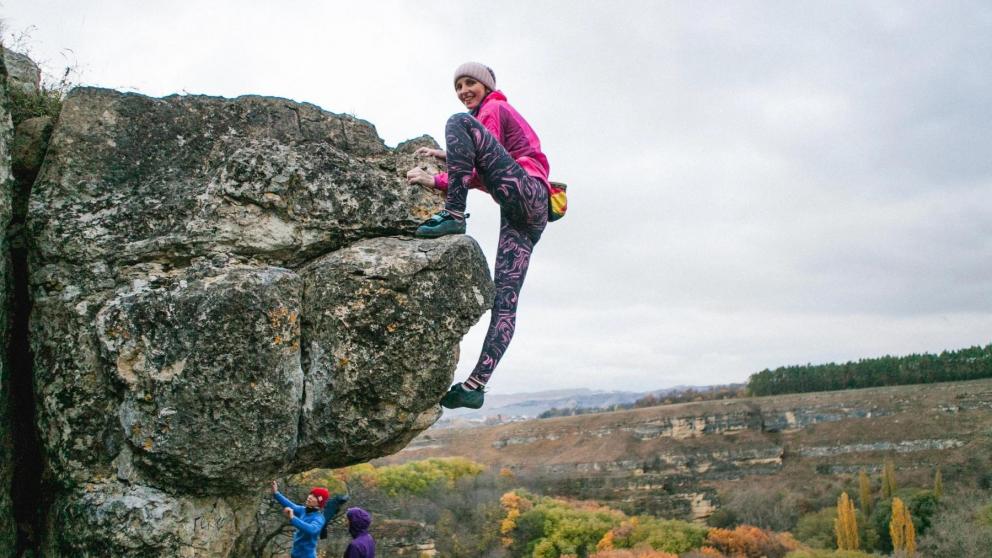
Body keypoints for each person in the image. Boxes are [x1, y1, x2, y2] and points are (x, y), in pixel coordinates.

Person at [406, 62, 552, 410]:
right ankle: (475, 386)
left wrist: (436, 180)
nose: (463, 91)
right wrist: (445, 155)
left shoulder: (495, 108)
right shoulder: (488, 115)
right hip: (528, 213)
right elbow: (489, 161)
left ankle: (454, 214)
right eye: (458, 86)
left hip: (526, 192)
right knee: (505, 300)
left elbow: (478, 166)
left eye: (470, 83)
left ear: (486, 85)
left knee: (458, 123)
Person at [271, 480, 329, 558]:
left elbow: (312, 530)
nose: (310, 497)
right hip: (295, 555)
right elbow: (290, 505)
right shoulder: (303, 510)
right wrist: (276, 493)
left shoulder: (319, 518)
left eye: (314, 496)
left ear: (319, 502)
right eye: (310, 494)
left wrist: (293, 518)